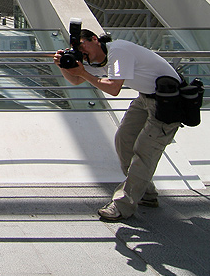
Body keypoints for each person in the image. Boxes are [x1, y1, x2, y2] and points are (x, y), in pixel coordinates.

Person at [54, 29, 182, 222]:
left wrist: (83, 72)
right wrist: (63, 65)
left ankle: (122, 205)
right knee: (124, 140)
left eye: (82, 45)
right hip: (145, 98)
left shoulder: (118, 52)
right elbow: (76, 80)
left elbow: (113, 88)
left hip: (169, 103)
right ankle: (146, 194)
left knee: (144, 152)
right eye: (77, 48)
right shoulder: (100, 60)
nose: (81, 51)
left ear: (95, 40)